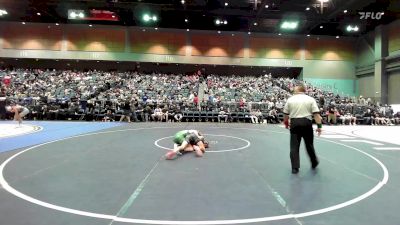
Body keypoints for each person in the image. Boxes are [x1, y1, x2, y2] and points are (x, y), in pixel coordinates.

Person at [283, 85, 322, 174]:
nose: (293, 89)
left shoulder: (290, 99)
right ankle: (314, 162)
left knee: (294, 146)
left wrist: (286, 123)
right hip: (306, 123)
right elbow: (316, 115)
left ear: (298, 90)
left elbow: (285, 114)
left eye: (294, 89)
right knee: (309, 144)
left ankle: (295, 168)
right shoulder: (310, 99)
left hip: (295, 123)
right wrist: (319, 127)